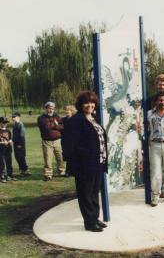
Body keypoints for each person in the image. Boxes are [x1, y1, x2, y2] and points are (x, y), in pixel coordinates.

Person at [67, 91, 108, 232]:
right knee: (85, 193)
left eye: (92, 102)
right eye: (86, 102)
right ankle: (89, 223)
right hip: (85, 165)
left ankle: (95, 218)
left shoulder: (94, 118)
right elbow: (70, 144)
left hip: (98, 162)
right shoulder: (76, 120)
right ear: (80, 105)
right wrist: (83, 158)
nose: (90, 105)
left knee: (94, 192)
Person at [37, 102, 65, 181]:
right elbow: (46, 127)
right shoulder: (41, 118)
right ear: (46, 108)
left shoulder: (57, 116)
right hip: (47, 141)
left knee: (60, 157)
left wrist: (55, 125)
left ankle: (61, 171)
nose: (51, 110)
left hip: (57, 140)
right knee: (48, 159)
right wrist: (55, 124)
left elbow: (62, 127)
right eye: (49, 108)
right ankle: (48, 174)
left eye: (52, 108)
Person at [11, 112, 30, 176]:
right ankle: (23, 170)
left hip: (19, 144)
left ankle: (25, 171)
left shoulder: (20, 124)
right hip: (16, 144)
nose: (13, 118)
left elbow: (22, 135)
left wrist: (20, 144)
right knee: (17, 157)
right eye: (12, 117)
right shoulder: (15, 124)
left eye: (14, 117)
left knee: (21, 157)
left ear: (18, 117)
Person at [61, 105, 77, 176]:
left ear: (72, 111)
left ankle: (74, 171)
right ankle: (68, 171)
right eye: (66, 110)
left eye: (68, 110)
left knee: (74, 155)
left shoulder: (75, 119)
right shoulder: (63, 120)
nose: (66, 112)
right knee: (67, 155)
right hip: (65, 140)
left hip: (74, 140)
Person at [0, 117, 17, 182]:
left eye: (6, 123)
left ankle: (10, 176)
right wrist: (2, 142)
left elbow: (10, 139)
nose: (5, 124)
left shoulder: (8, 130)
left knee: (9, 163)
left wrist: (9, 141)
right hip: (1, 150)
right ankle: (2, 177)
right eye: (4, 123)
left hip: (8, 149)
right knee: (2, 164)